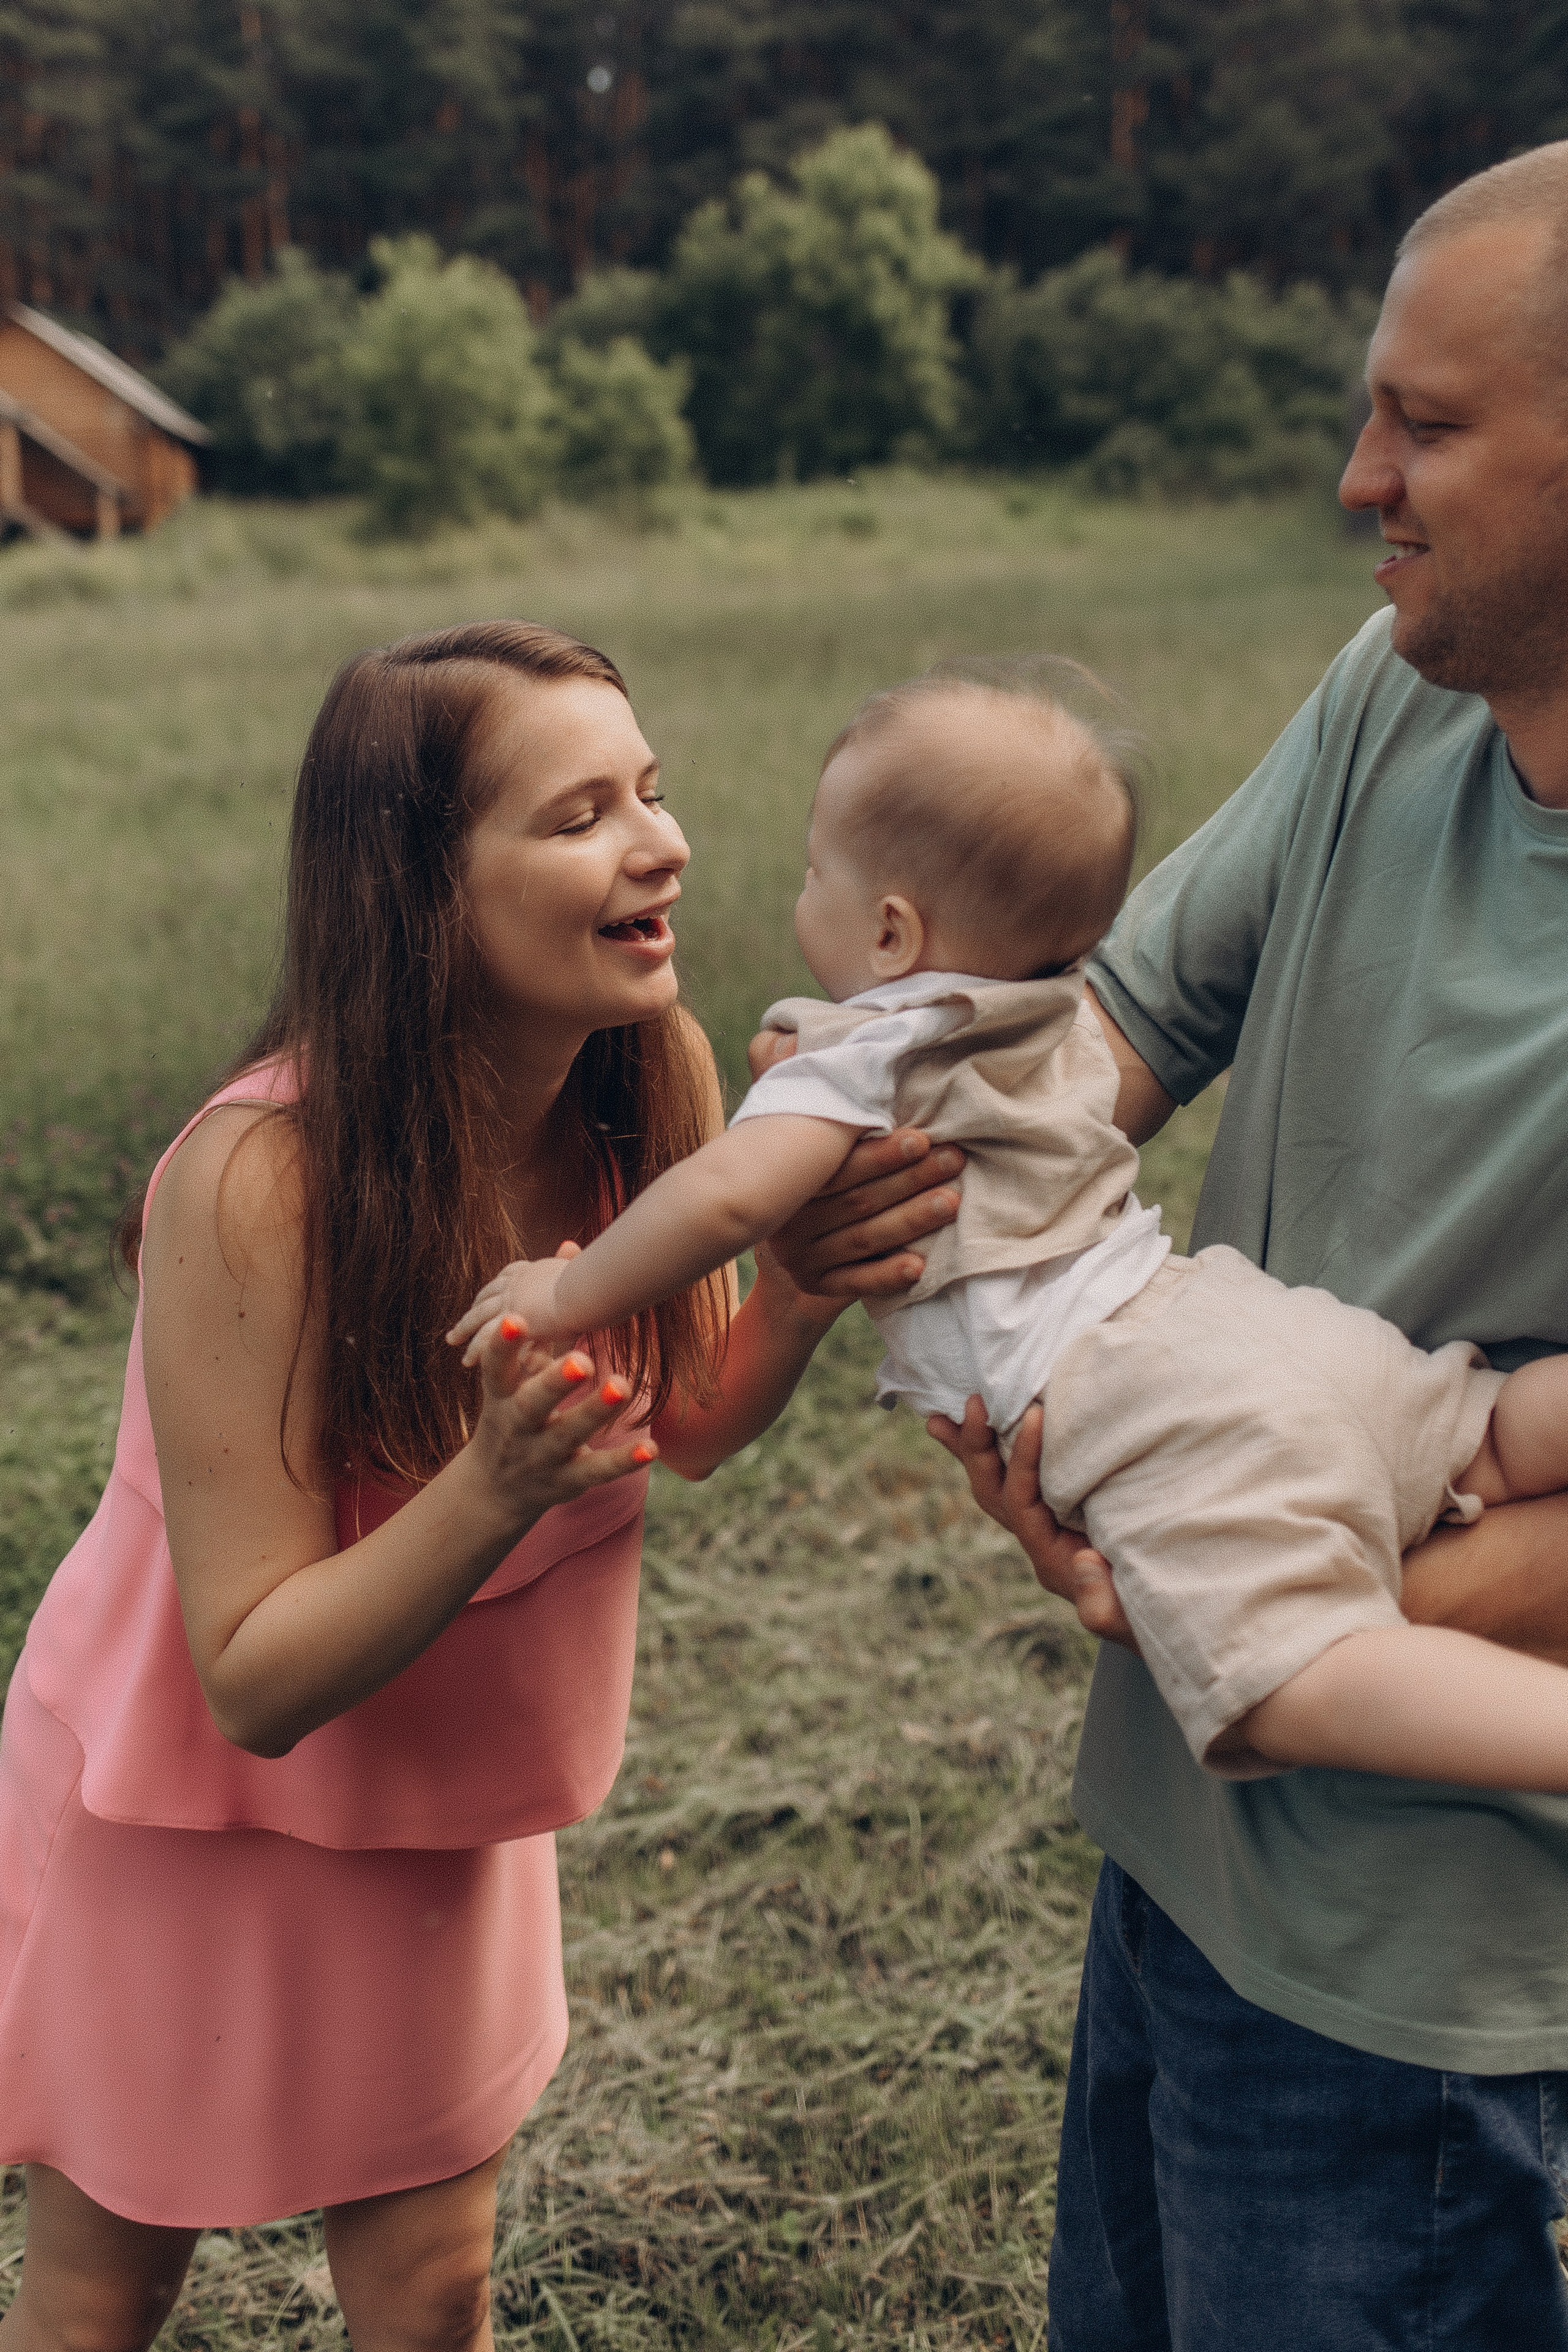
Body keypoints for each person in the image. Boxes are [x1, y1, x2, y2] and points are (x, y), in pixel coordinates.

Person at [0, 619, 954, 2352]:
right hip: (187, 1817)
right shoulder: (257, 1184)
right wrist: (493, 1488)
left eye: (652, 794)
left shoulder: (642, 1100)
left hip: (443, 1811)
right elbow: (254, 1676)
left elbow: (688, 1417)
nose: (661, 842)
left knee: (437, 2290)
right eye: (581, 814)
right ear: (419, 888)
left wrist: (803, 1283)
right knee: (105, 2285)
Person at [921, 143, 1568, 2348]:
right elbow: (1117, 1022)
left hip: (1435, 1968)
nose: (1355, 474)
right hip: (1186, 1851)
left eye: (1431, 422)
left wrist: (1217, 1585)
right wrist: (932, 1187)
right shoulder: (1398, 693)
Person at [452, 667, 1568, 1793]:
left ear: (891, 932)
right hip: (1243, 1323)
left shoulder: (864, 1054)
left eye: (812, 876)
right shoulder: (1045, 1012)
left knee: (1293, 1678)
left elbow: (729, 1199)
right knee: (1498, 1435)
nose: (799, 899)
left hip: (1136, 1405)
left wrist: (568, 1292)